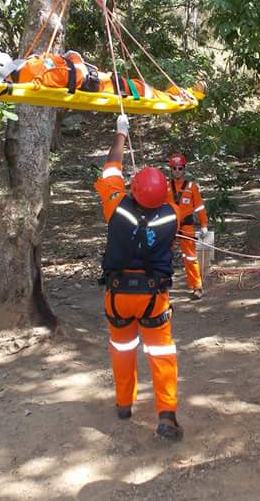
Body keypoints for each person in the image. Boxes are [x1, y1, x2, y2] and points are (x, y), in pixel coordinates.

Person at [93, 114, 183, 441]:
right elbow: (161, 203)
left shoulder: (116, 206)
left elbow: (111, 169)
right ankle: (167, 415)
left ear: (132, 189)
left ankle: (123, 404)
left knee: (122, 347)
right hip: (153, 296)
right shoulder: (171, 214)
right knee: (161, 354)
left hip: (118, 295)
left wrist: (120, 134)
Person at [0, 43, 202, 101]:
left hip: (91, 79)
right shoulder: (29, 72)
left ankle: (173, 93)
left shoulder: (20, 72)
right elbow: (77, 74)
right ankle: (177, 97)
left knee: (134, 84)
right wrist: (73, 56)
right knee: (135, 88)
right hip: (96, 83)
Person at [167, 153, 209, 300]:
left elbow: (200, 208)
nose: (177, 171)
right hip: (170, 227)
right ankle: (162, 283)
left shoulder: (191, 187)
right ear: (171, 170)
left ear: (184, 169)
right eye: (174, 168)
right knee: (163, 255)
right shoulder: (165, 187)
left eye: (180, 168)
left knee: (190, 257)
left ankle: (197, 286)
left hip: (187, 227)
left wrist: (204, 225)